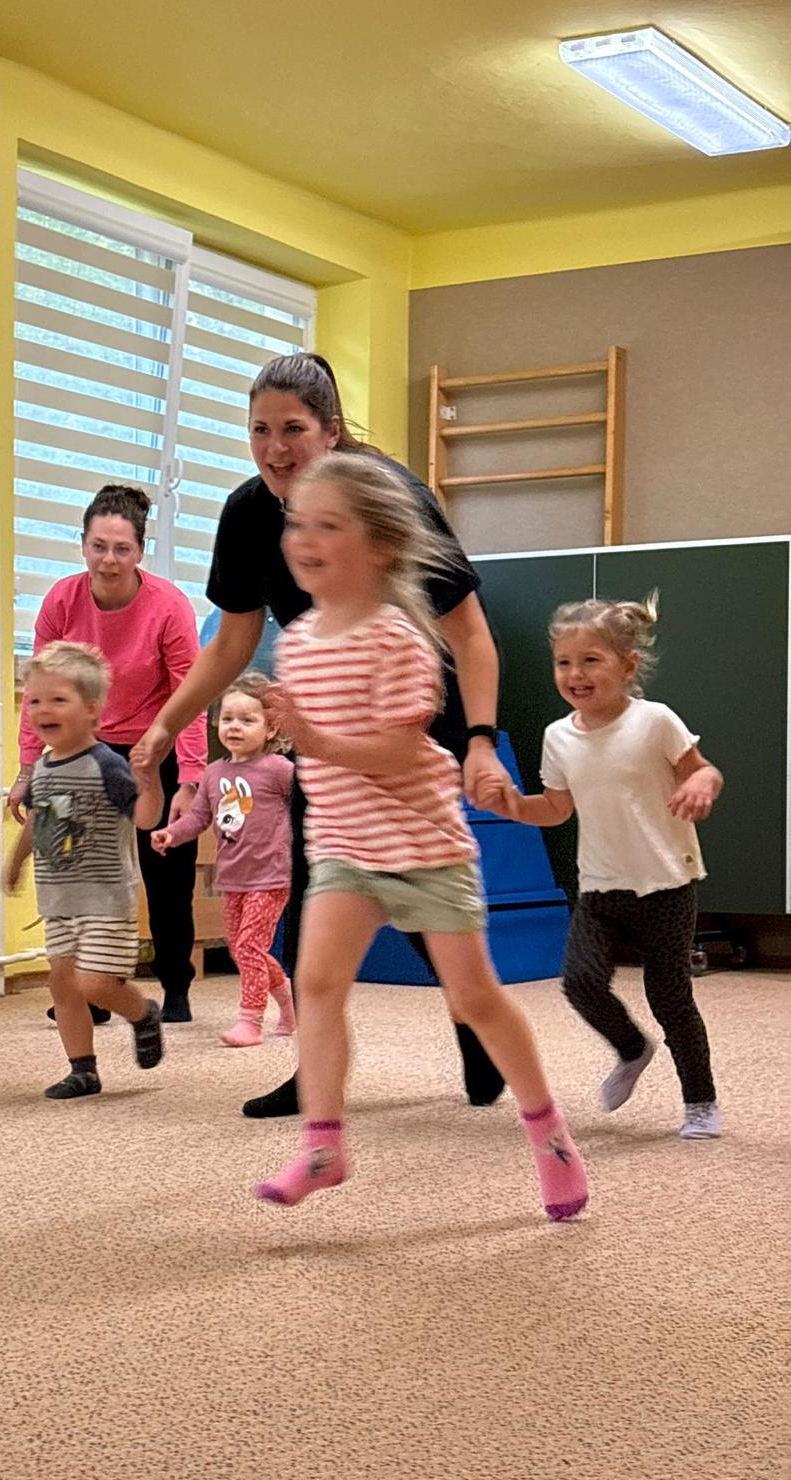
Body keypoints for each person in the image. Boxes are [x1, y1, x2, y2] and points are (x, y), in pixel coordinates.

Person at [131, 353, 511, 1115]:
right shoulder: (248, 514)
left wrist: (479, 738)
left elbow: (470, 634)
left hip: (407, 714)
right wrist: (168, 723)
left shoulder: (389, 499)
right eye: (260, 430)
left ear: (330, 432)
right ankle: (314, 1073)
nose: (275, 448)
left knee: (417, 882)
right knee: (319, 884)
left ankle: (478, 1025)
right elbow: (234, 641)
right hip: (323, 723)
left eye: (293, 429)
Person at [252, 453, 588, 1220]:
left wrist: (313, 740)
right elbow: (317, 750)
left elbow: (401, 751)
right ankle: (323, 1146)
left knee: (474, 998)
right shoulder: (296, 642)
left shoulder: (400, 639)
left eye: (327, 526)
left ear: (380, 547)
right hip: (343, 847)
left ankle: (550, 1134)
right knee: (318, 985)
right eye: (298, 524)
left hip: (423, 844)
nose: (304, 539)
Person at [479, 595, 724, 1139]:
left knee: (670, 998)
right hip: (599, 887)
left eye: (591, 660)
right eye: (563, 662)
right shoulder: (557, 736)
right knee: (580, 982)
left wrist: (702, 784)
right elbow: (556, 808)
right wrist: (510, 806)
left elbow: (703, 770)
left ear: (628, 665)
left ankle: (701, 1103)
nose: (575, 674)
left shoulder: (655, 721)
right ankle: (632, 1048)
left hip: (666, 883)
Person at [9, 485, 207, 1025]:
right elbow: (40, 691)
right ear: (82, 545)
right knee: (80, 868)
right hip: (85, 748)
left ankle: (176, 985)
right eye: (99, 547)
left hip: (153, 745)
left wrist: (189, 778)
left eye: (122, 549)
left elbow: (190, 692)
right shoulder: (62, 601)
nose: (109, 560)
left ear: (140, 551)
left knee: (166, 871)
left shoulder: (168, 606)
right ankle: (89, 994)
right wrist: (29, 768)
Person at [4, 642, 165, 1100]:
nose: (42, 710)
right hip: (58, 899)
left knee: (94, 983)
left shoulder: (106, 765)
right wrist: (17, 860)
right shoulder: (42, 768)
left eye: (58, 700)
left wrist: (150, 783)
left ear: (91, 709)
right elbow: (38, 820)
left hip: (105, 899)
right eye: (34, 700)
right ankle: (83, 1069)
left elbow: (145, 819)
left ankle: (142, 1013)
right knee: (62, 985)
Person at [152, 673, 295, 1047]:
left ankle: (250, 1021)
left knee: (248, 947)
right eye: (228, 718)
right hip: (233, 877)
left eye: (247, 720)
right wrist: (172, 834)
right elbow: (199, 818)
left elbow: (306, 805)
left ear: (269, 729)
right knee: (243, 949)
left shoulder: (279, 769)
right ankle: (288, 1002)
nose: (235, 727)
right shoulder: (213, 773)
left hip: (271, 875)